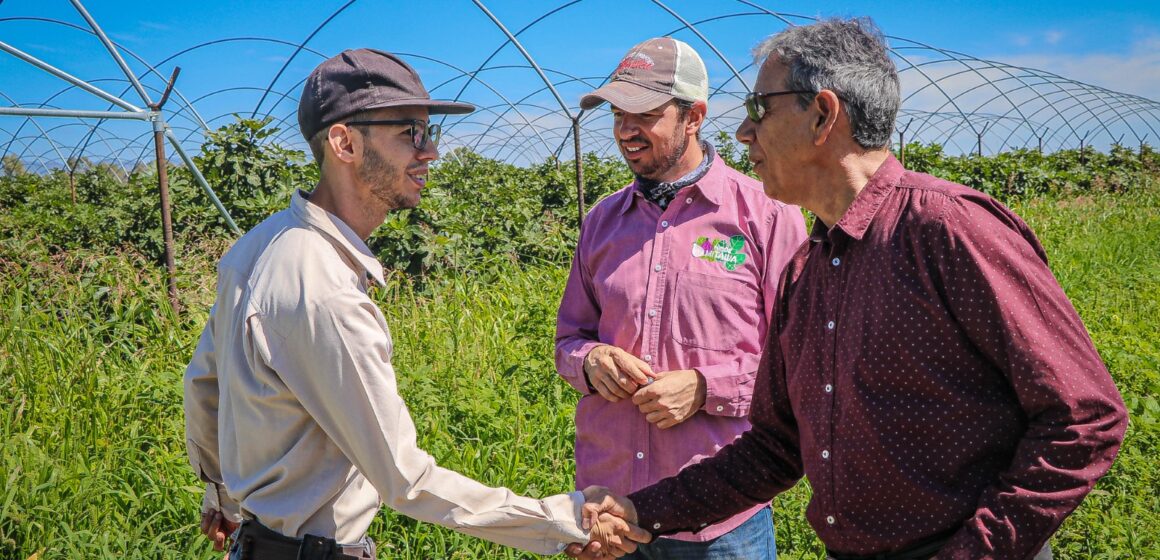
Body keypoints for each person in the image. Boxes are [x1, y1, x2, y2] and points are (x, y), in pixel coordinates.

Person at [579, 18, 1128, 560]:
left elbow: (1084, 415)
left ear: (822, 115)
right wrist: (639, 511)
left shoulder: (947, 229)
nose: (744, 133)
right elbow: (776, 444)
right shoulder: (810, 267)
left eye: (759, 110)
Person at [183, 48, 645, 560]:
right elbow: (406, 480)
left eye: (430, 133)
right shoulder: (324, 292)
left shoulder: (257, 247)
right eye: (410, 133)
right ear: (345, 143)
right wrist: (564, 520)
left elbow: (204, 385)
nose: (429, 153)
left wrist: (221, 494)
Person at [555, 37, 806, 559]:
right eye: (618, 113)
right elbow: (569, 338)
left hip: (719, 516)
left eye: (644, 113)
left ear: (693, 116)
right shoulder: (602, 221)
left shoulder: (765, 213)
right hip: (610, 509)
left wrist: (705, 387)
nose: (626, 129)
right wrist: (591, 359)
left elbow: (802, 359)